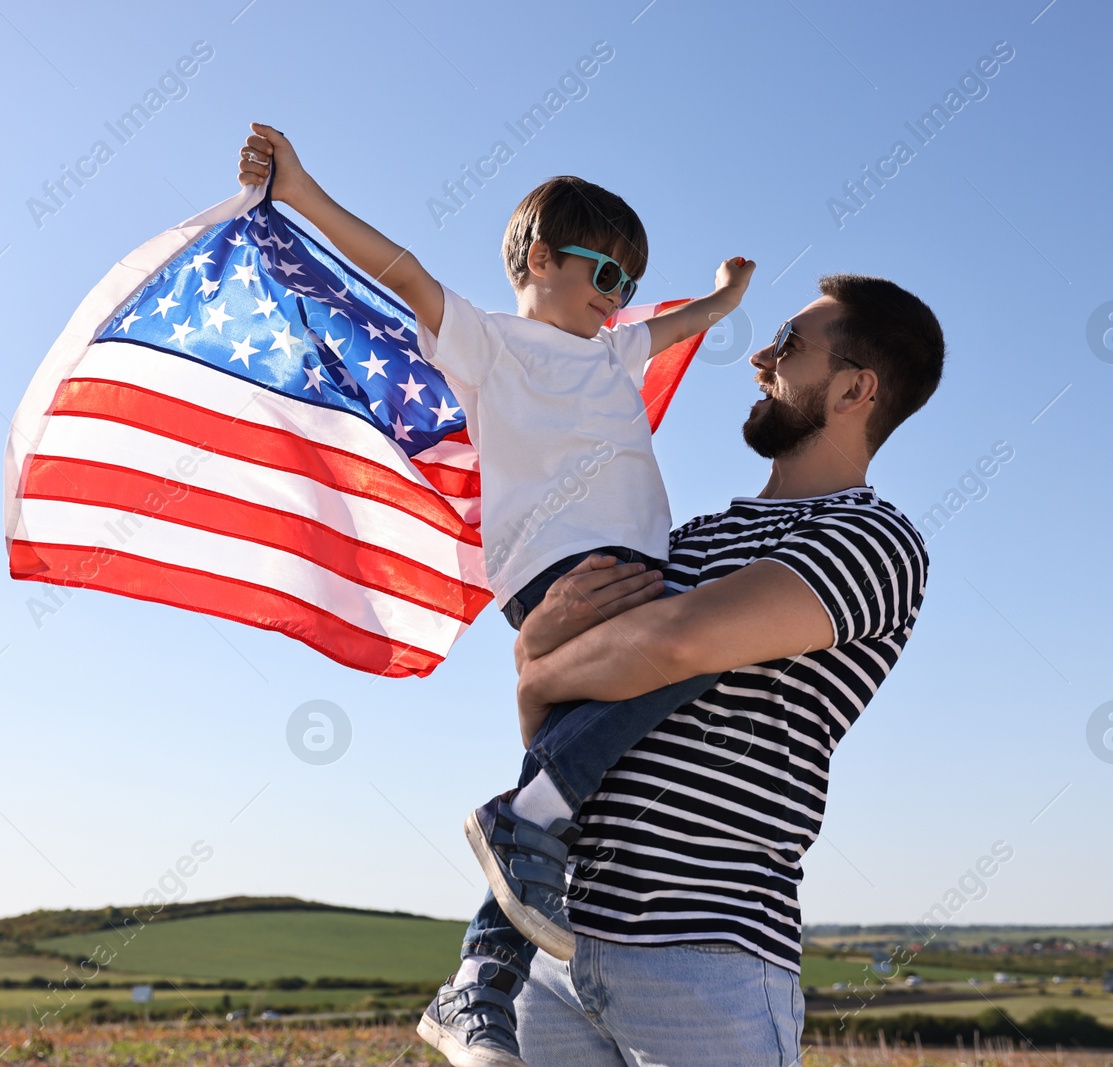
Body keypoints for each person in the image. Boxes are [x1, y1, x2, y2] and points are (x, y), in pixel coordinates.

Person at [233, 127, 761, 1057]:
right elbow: (398, 268)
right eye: (604, 274)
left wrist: (726, 296)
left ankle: (481, 975)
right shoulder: (493, 342)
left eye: (629, 286)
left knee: (603, 734)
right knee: (710, 644)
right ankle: (522, 835)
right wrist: (302, 190)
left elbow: (680, 326)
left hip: (635, 567)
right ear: (541, 259)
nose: (616, 300)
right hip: (562, 571)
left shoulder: (613, 353)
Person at [422, 275, 945, 1066]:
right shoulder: (681, 540)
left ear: (853, 389)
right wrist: (537, 666)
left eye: (790, 347)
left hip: (702, 959)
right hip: (553, 949)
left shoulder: (871, 539)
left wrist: (538, 664)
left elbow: (673, 645)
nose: (761, 358)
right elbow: (555, 732)